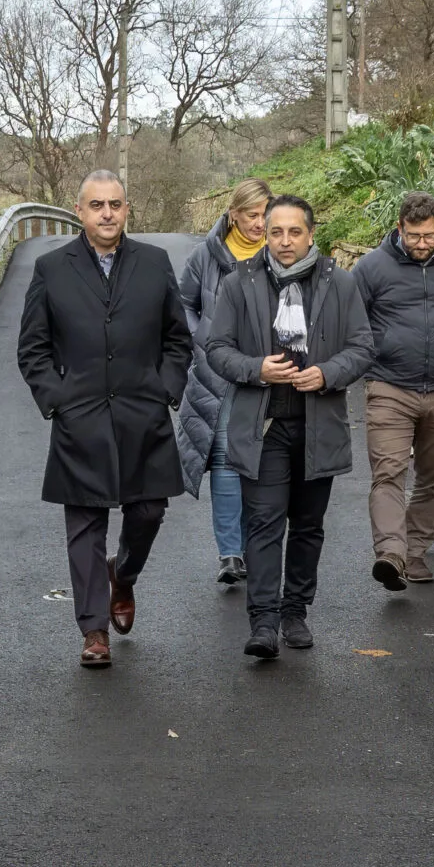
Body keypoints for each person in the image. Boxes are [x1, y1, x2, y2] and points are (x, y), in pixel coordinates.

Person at [16, 170, 194, 668]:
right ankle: (93, 630)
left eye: (115, 204)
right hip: (81, 419)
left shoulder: (154, 262)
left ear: (127, 209)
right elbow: (32, 348)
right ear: (80, 211)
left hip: (143, 415)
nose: (107, 213)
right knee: (84, 524)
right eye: (97, 205)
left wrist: (166, 388)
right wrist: (58, 399)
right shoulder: (51, 268)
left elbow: (178, 338)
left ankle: (125, 574)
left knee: (149, 512)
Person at [203, 194, 375, 660]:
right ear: (265, 233)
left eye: (294, 232)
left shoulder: (340, 283)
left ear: (311, 234)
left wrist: (328, 373)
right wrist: (256, 368)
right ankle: (263, 622)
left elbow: (362, 347)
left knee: (307, 525)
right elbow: (217, 348)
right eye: (275, 231)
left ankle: (295, 611)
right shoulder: (239, 282)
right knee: (263, 523)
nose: (284, 241)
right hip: (263, 428)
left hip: (319, 424)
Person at [352, 189, 434, 589]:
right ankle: (391, 553)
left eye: (429, 235)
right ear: (399, 228)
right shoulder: (371, 267)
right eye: (414, 236)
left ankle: (414, 553)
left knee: (432, 476)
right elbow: (354, 321)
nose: (422, 244)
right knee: (388, 473)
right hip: (389, 386)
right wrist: (383, 352)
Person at [177, 177, 270, 586]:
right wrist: (203, 340)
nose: (260, 224)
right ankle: (230, 553)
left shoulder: (279, 253)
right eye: (252, 215)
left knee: (260, 461)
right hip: (216, 373)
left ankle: (252, 547)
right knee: (224, 458)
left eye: (265, 215)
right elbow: (184, 304)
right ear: (233, 215)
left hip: (266, 371)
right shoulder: (206, 256)